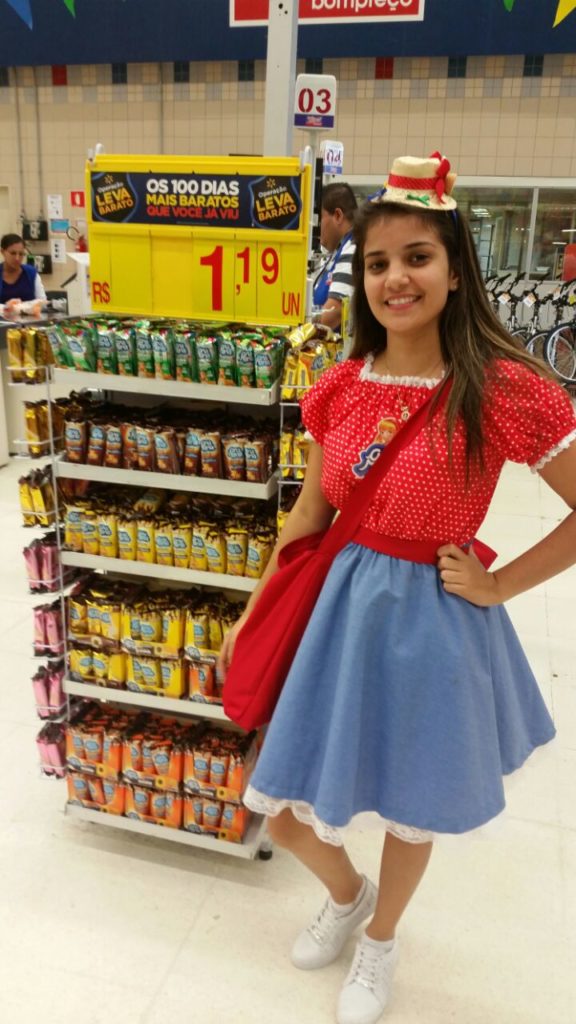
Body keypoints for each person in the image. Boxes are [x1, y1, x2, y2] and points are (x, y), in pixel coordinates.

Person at [219, 152, 576, 1024]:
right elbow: (309, 513)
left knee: (410, 800)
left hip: (433, 621)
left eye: (418, 257)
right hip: (334, 613)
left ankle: (381, 938)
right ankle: (348, 895)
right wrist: (253, 613)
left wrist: (498, 584)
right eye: (377, 262)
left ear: (456, 271)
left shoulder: (501, 389)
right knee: (278, 796)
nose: (395, 279)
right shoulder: (341, 386)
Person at [312, 182, 357, 330]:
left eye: (319, 219)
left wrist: (301, 332)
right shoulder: (339, 250)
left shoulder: (353, 248)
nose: (316, 228)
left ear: (338, 215)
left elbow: (335, 312)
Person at [0, 233, 46, 304]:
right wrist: (7, 307)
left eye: (21, 254)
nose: (17, 258)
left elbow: (42, 302)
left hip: (30, 311)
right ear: (2, 252)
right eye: (13, 253)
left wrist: (23, 307)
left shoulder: (31, 274)